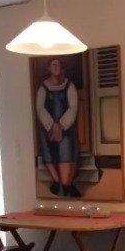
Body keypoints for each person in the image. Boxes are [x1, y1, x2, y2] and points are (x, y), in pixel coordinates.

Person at [35, 58, 81, 197]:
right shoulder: (43, 88)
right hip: (48, 129)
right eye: (54, 65)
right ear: (49, 68)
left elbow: (73, 107)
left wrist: (61, 124)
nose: (56, 67)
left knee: (66, 153)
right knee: (49, 154)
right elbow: (40, 108)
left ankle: (67, 185)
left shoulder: (69, 86)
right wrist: (51, 125)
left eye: (59, 65)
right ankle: (56, 181)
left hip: (66, 129)